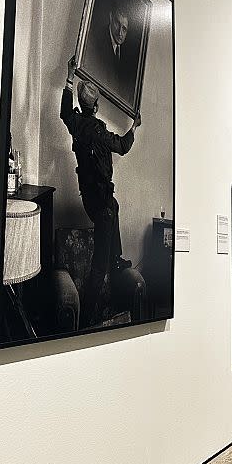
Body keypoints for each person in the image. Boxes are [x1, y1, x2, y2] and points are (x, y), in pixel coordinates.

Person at [60, 56, 142, 328]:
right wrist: (134, 127)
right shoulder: (97, 132)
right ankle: (87, 318)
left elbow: (63, 112)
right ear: (95, 106)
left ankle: (117, 258)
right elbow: (122, 146)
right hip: (102, 204)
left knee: (115, 207)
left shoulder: (75, 123)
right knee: (99, 267)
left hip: (92, 201)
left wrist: (70, 77)